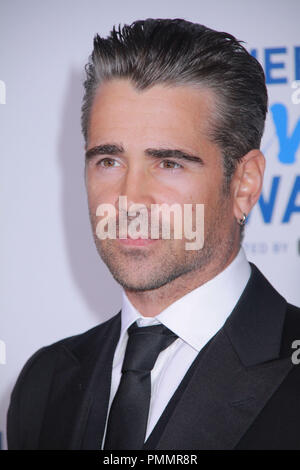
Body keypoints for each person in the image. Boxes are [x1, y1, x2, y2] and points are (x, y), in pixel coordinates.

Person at [7, 18, 300, 450]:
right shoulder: (44, 381)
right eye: (109, 160)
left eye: (169, 163)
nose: (130, 198)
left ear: (245, 184)